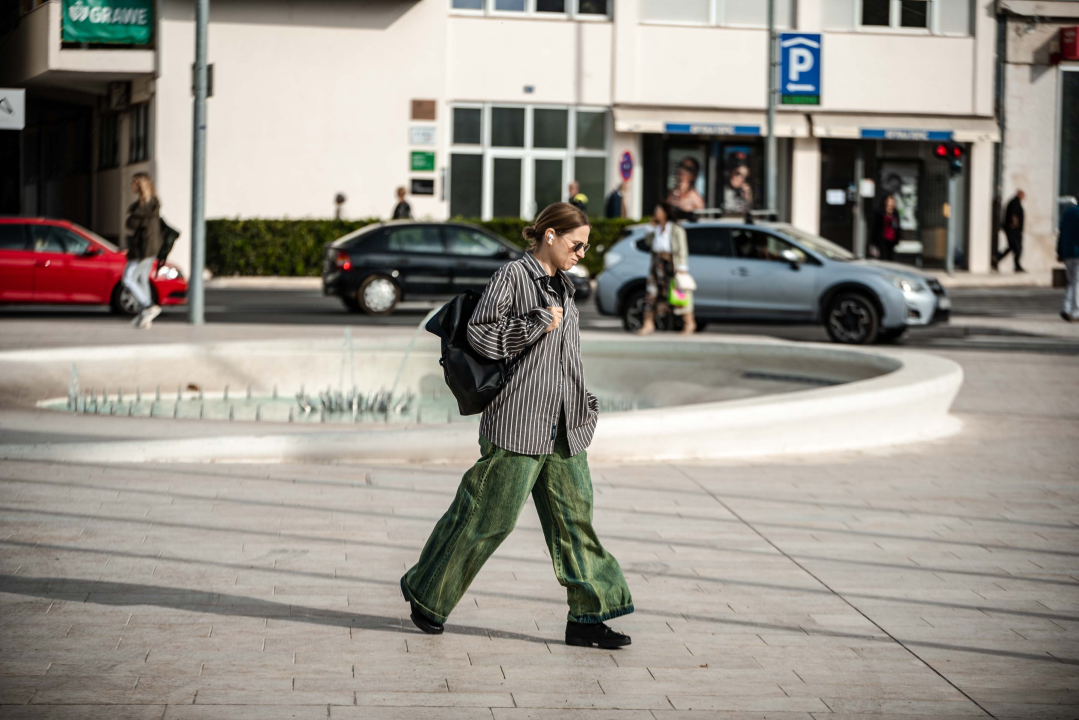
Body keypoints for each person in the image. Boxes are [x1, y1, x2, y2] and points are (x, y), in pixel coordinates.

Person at [400, 202, 633, 650]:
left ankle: (589, 616)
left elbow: (569, 357)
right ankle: (427, 594)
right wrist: (536, 322)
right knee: (487, 517)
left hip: (564, 427)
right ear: (550, 235)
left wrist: (586, 402)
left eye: (586, 245)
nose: (582, 252)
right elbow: (481, 335)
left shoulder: (564, 287)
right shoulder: (512, 277)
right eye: (576, 243)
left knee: (575, 522)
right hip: (519, 424)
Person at [638, 201, 694, 336]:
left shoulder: (676, 229)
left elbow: (682, 249)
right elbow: (648, 243)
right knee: (651, 293)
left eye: (658, 210)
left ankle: (689, 323)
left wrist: (682, 267)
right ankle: (648, 324)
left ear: (666, 213)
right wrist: (650, 228)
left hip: (671, 265)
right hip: (656, 264)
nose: (655, 213)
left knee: (678, 294)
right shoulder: (656, 229)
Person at [123, 173, 162, 329]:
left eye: (133, 183)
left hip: (143, 248)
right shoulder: (151, 203)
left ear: (139, 185)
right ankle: (144, 318)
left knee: (128, 278)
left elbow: (131, 225)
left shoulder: (144, 205)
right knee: (142, 280)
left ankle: (148, 306)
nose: (131, 186)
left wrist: (132, 217)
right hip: (150, 247)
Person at [995, 190, 1026, 272]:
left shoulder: (1015, 202)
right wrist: (1014, 225)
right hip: (1013, 231)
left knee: (1012, 247)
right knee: (1017, 248)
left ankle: (997, 259)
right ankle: (1016, 265)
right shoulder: (1014, 203)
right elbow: (1013, 215)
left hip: (1014, 230)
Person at [1059, 203, 1079, 323]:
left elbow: (1061, 233)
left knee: (1072, 282)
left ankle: (1066, 308)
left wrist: (1060, 251)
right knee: (1076, 283)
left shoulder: (1067, 213)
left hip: (1068, 252)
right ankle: (1076, 311)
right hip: (1077, 252)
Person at [871, 195, 901, 261]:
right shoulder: (880, 213)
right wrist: (873, 241)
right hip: (882, 239)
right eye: (890, 202)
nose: (891, 204)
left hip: (892, 239)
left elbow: (898, 226)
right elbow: (875, 227)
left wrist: (898, 238)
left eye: (892, 202)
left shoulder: (895, 213)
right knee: (883, 256)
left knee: (890, 257)